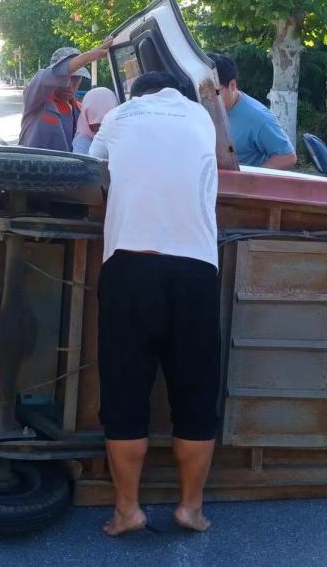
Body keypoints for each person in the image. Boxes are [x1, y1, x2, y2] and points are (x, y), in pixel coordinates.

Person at [89, 71, 221, 536]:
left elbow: (88, 170)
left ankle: (128, 510)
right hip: (198, 272)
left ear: (135, 94)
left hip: (130, 267)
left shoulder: (120, 114)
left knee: (125, 390)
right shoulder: (203, 118)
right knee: (196, 391)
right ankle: (191, 508)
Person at [19, 39, 111, 151]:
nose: (69, 85)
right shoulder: (36, 100)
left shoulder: (81, 110)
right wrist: (89, 56)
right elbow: (47, 76)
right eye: (65, 78)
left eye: (75, 78)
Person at [210, 53, 297, 170]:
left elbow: (287, 157)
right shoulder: (200, 105)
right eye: (204, 90)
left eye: (214, 91)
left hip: (236, 186)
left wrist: (250, 181)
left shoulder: (258, 117)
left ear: (232, 85)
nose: (208, 97)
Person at [72, 87, 119, 155]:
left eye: (105, 123)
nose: (100, 129)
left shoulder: (122, 132)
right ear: (86, 118)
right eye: (96, 125)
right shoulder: (82, 141)